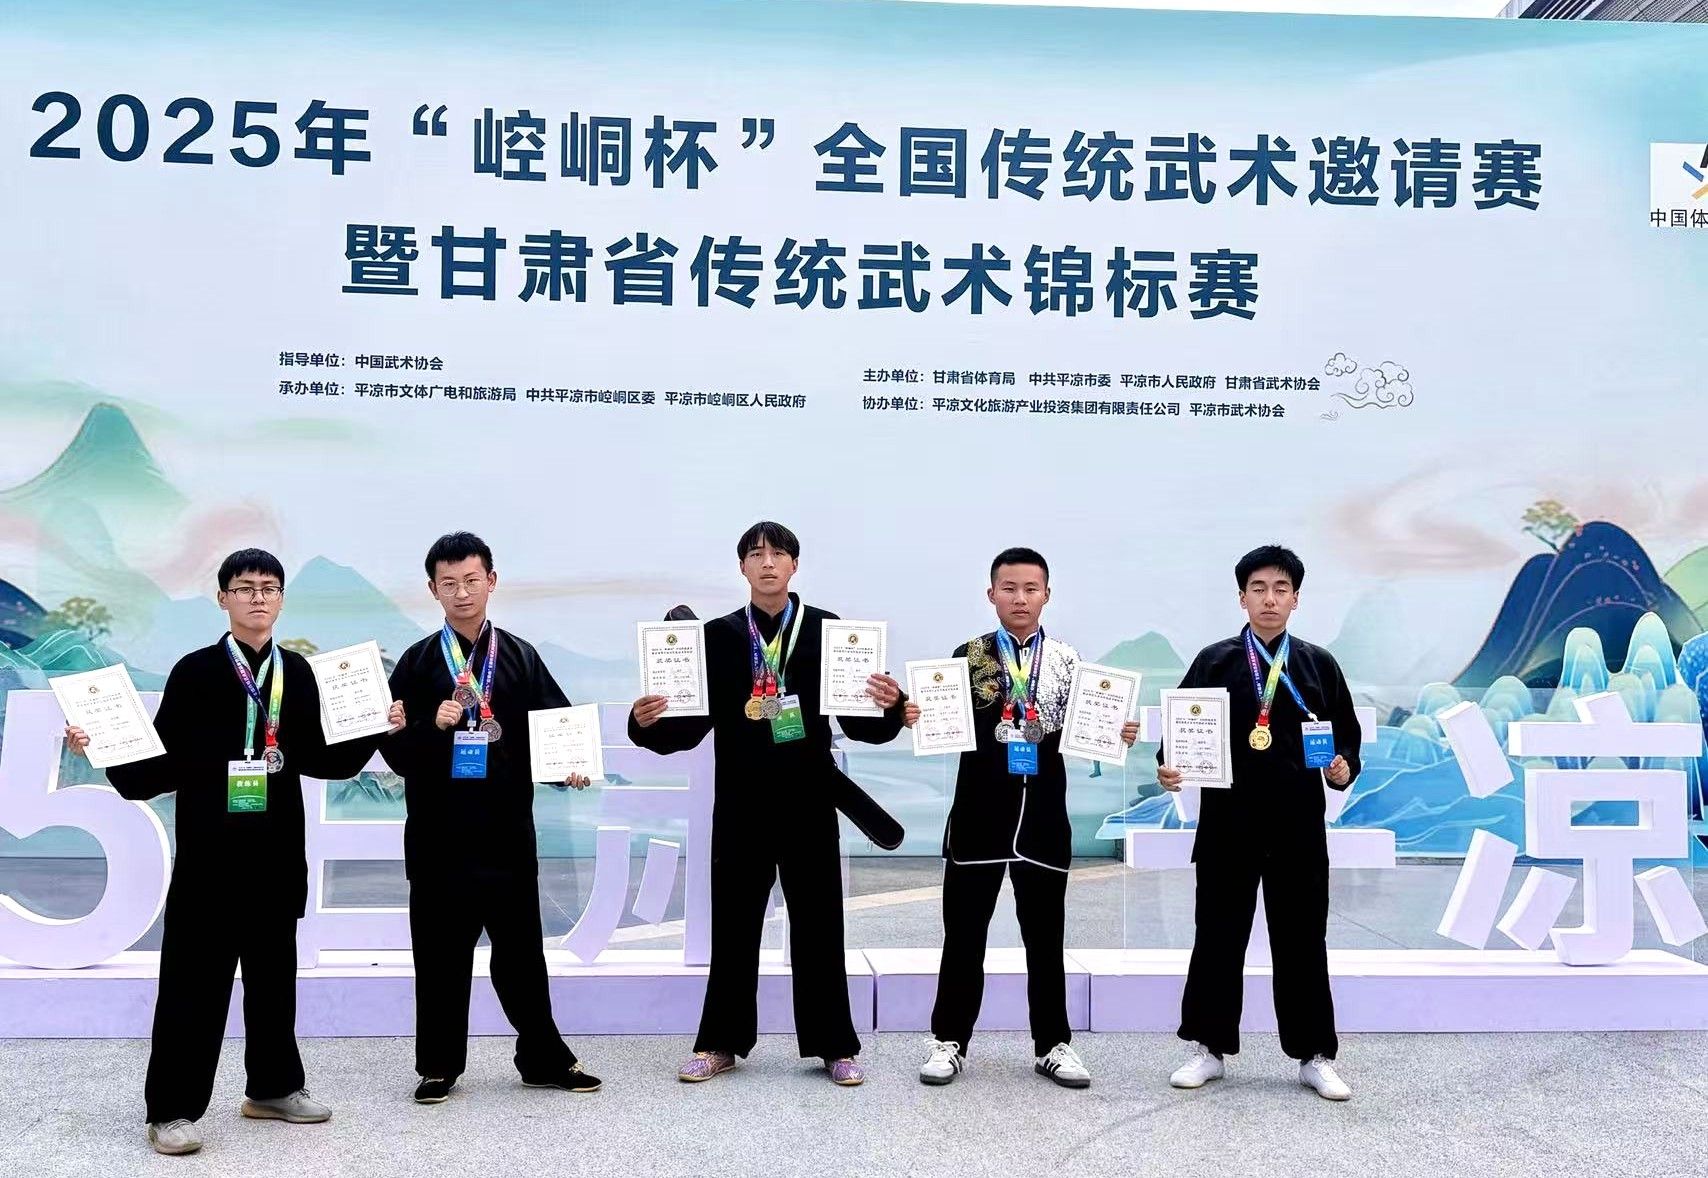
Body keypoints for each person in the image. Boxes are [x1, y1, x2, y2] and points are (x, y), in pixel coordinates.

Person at [66, 549, 404, 1156]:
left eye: (269, 588)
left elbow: (323, 758)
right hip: (211, 861)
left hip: (276, 858)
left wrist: (377, 726)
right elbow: (157, 767)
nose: (257, 598)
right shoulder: (194, 672)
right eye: (245, 588)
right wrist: (104, 747)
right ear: (222, 598)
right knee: (192, 988)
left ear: (281, 599)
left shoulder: (297, 674)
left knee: (274, 983)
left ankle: (273, 1089)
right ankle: (171, 1110)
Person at [628, 521, 906, 1086]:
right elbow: (688, 728)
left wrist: (892, 706)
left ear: (795, 565)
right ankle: (720, 1043)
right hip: (741, 804)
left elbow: (860, 724)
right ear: (742, 567)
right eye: (756, 554)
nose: (768, 562)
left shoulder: (829, 631)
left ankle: (835, 1046)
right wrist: (644, 723)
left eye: (779, 553)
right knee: (733, 927)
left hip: (809, 802)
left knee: (820, 926)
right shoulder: (717, 637)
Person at [904, 547, 1137, 1089]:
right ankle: (948, 1040)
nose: (1020, 598)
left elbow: (1088, 730)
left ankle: (1053, 1044)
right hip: (978, 816)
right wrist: (917, 715)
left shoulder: (1068, 662)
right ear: (991, 594)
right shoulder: (967, 657)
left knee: (1045, 939)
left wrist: (1116, 733)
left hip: (1043, 819)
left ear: (1047, 595)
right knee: (964, 936)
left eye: (1031, 589)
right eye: (1009, 588)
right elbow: (943, 724)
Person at [380, 532, 598, 1104]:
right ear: (432, 589)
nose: (461, 592)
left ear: (492, 582)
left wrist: (569, 769)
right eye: (448, 583)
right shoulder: (416, 663)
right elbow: (396, 753)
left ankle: (544, 1059)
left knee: (522, 955)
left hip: (506, 834)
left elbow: (554, 730)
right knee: (439, 956)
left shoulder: (521, 657)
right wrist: (432, 726)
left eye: (471, 580)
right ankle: (438, 1066)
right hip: (438, 837)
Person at [1158, 544, 1361, 1101]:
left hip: (1298, 828)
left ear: (1296, 599)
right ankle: (1207, 1047)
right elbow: (1177, 737)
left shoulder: (1319, 665)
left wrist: (1343, 767)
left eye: (1280, 589)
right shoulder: (1215, 661)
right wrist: (1168, 768)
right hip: (1228, 826)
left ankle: (1315, 1055)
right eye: (1258, 589)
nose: (1269, 599)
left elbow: (1346, 738)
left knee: (1302, 941)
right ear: (1242, 597)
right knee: (1217, 938)